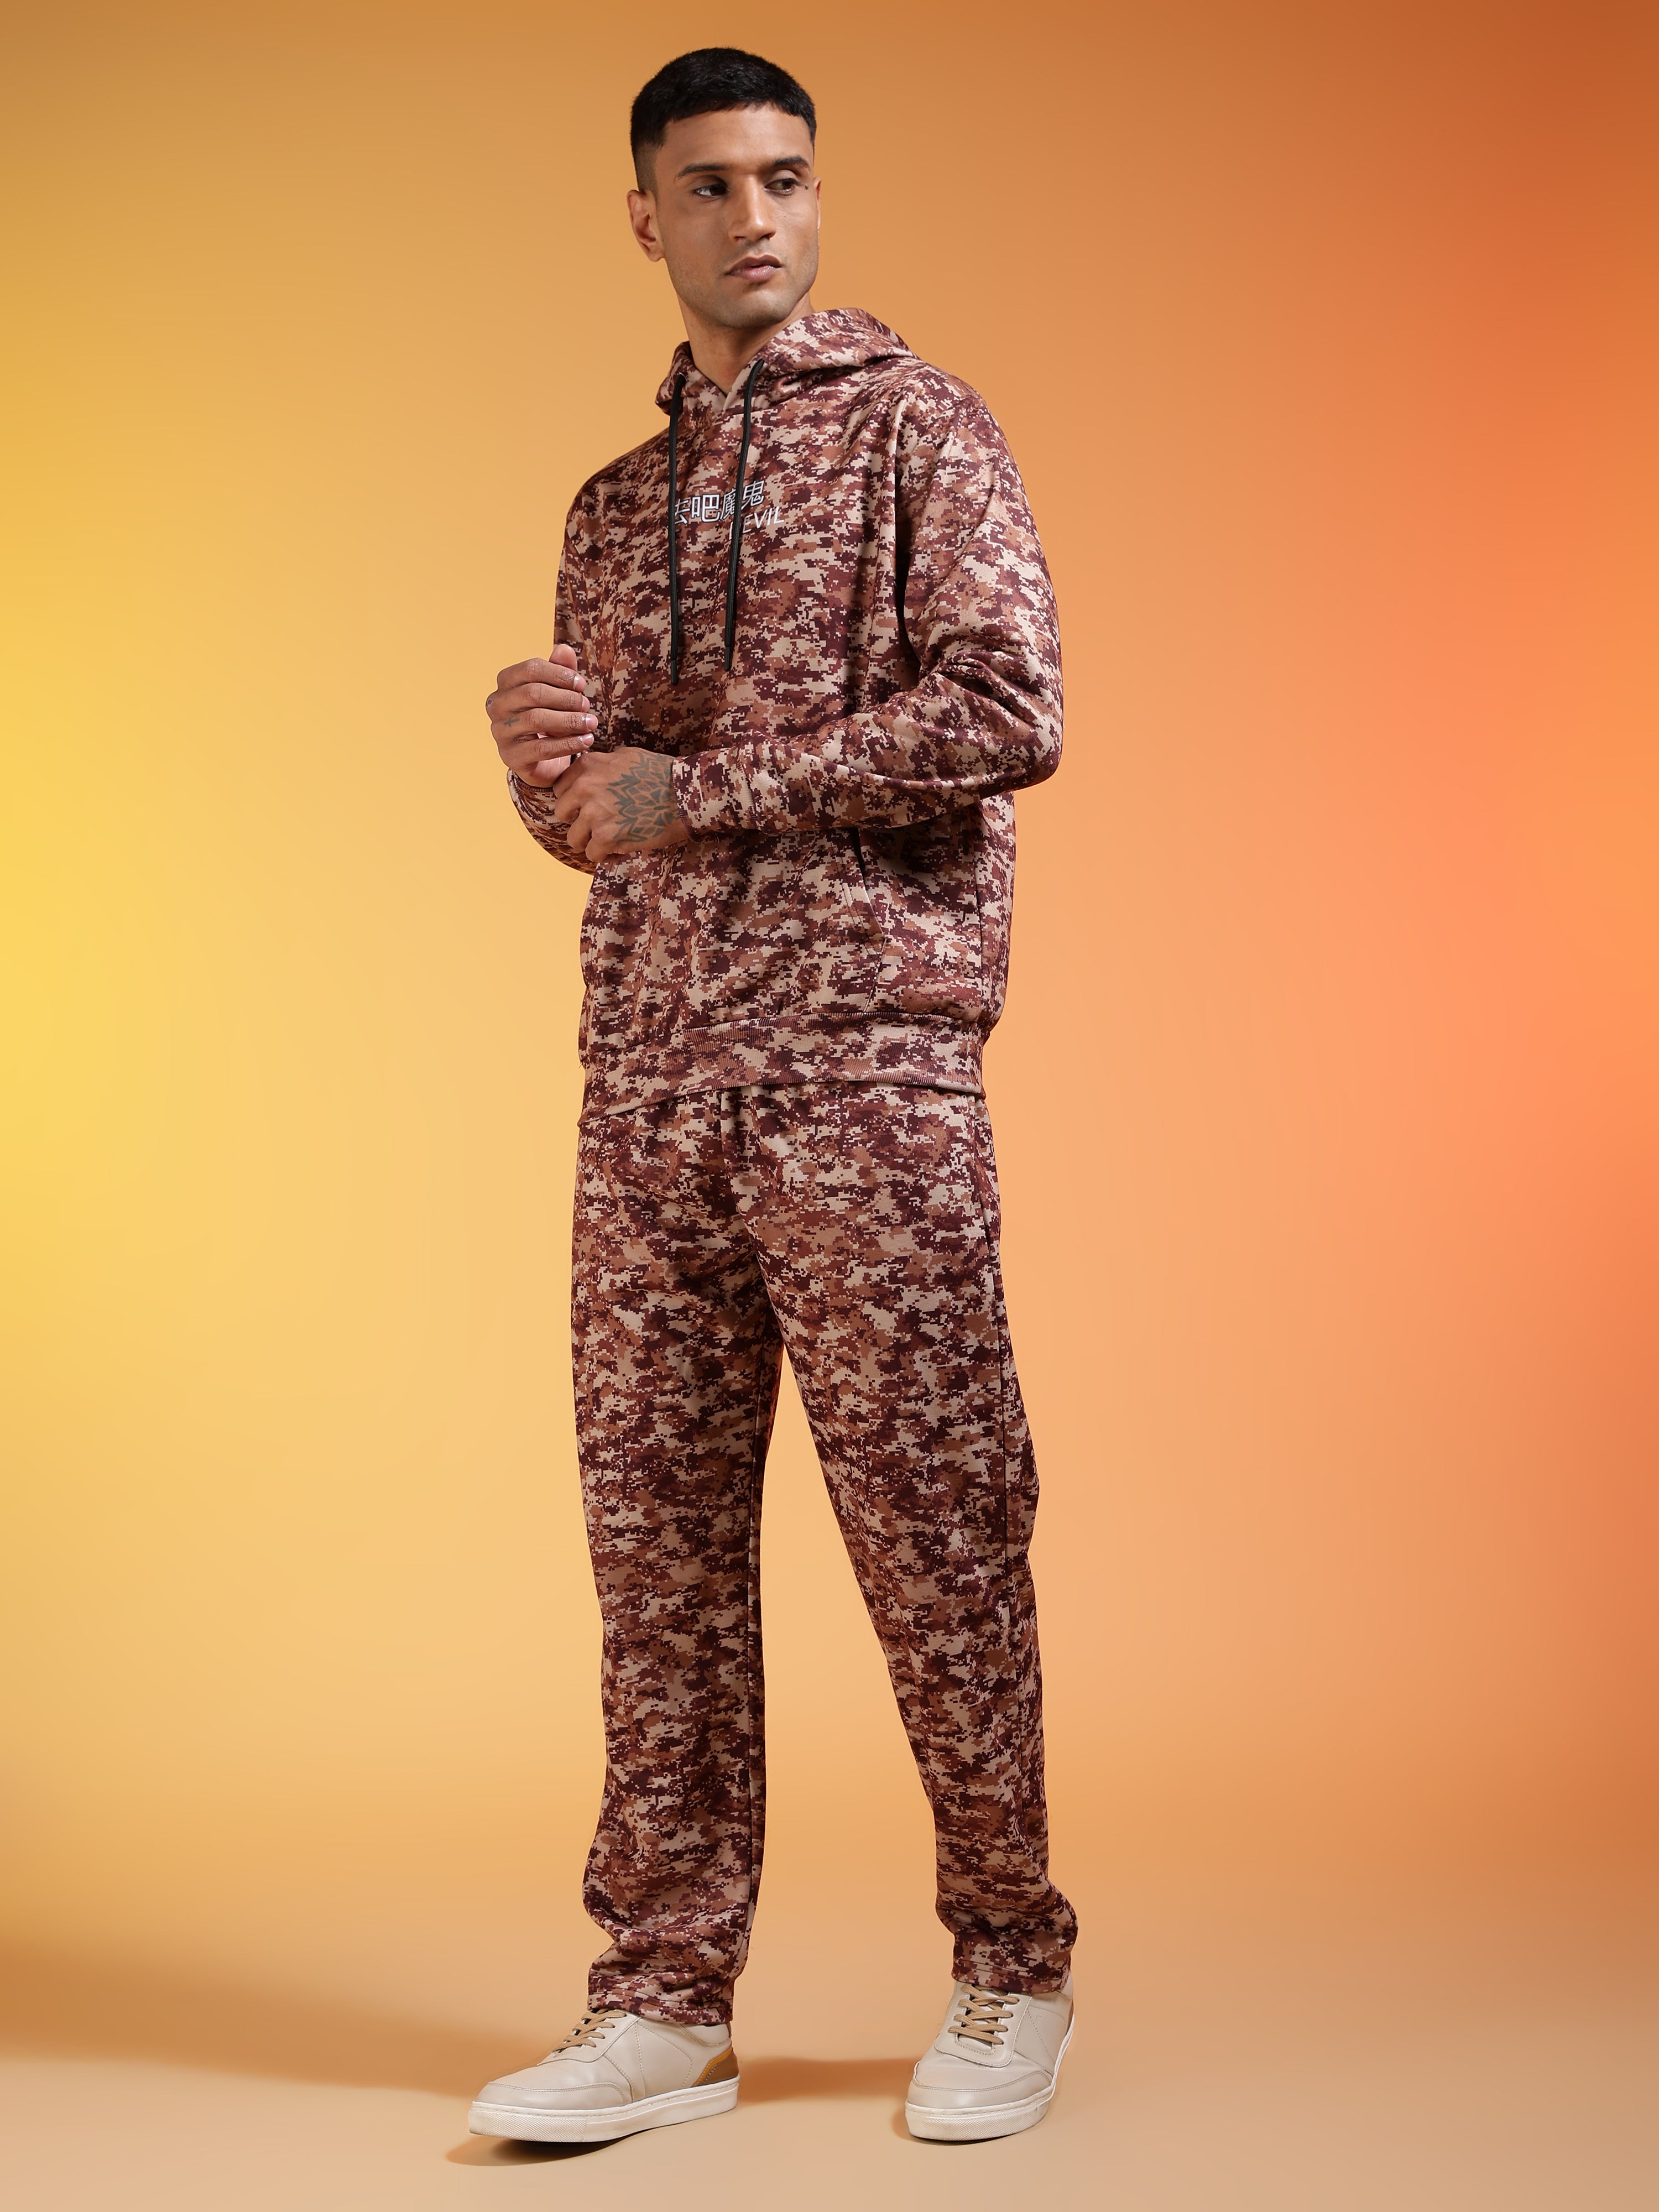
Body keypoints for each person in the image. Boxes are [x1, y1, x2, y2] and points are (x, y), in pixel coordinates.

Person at [469, 46, 1076, 2149]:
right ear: (645, 216)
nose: (757, 216)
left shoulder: (922, 431)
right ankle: (663, 2001)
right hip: (651, 1083)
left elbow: (1010, 705)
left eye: (788, 177)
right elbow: (608, 823)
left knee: (937, 1530)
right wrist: (547, 769)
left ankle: (1012, 1964)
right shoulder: (610, 509)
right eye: (713, 184)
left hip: (867, 1071)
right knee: (655, 1552)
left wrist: (698, 790)